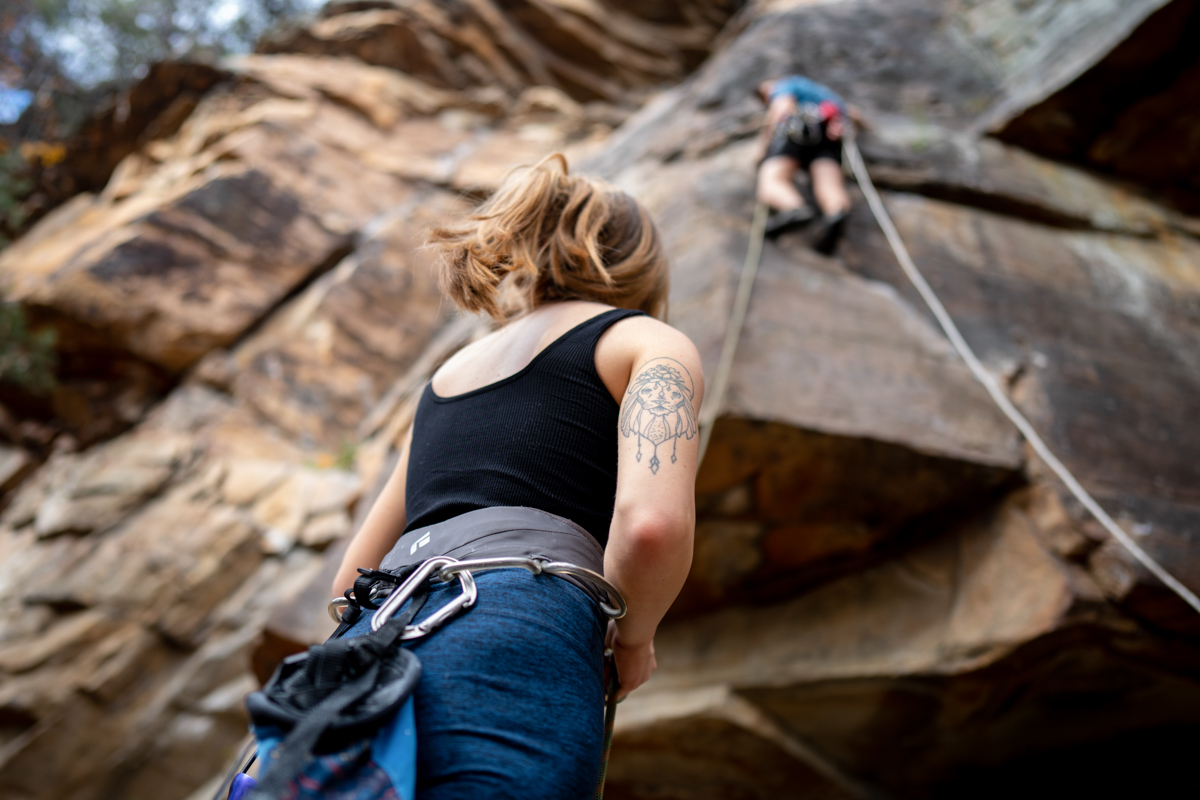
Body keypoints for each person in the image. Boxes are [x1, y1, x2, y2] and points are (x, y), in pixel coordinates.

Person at [326, 153, 703, 798]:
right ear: (640, 266)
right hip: (514, 633)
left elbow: (347, 583)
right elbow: (649, 526)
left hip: (364, 650)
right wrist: (632, 640)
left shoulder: (443, 382)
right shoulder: (646, 343)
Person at [755, 75, 854, 251]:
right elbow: (852, 115)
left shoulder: (784, 85)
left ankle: (793, 208)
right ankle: (836, 213)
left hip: (798, 129)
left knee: (772, 178)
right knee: (829, 183)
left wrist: (763, 147)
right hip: (828, 137)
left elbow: (781, 107)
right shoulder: (826, 96)